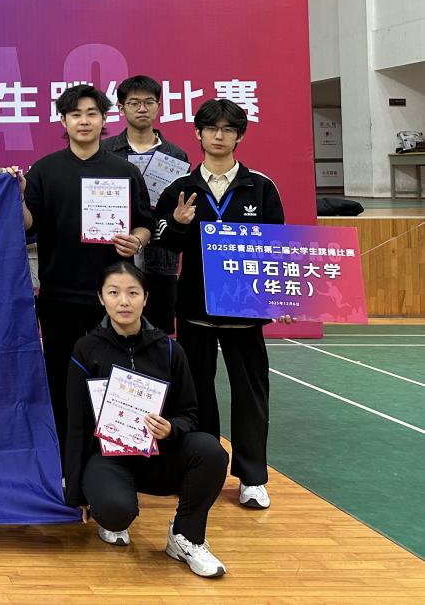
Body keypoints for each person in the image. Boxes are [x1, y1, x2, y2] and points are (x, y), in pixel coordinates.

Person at [154, 98, 287, 510]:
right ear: (198, 133)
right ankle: (204, 470)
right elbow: (164, 241)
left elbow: (278, 248)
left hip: (245, 314)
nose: (219, 135)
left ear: (239, 136)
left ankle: (252, 478)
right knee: (196, 397)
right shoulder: (181, 188)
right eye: (211, 128)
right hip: (195, 311)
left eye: (228, 129)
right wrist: (179, 224)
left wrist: (281, 296)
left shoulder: (260, 187)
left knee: (251, 397)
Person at [65, 262, 229, 578]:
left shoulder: (170, 349)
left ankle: (186, 536)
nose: (124, 301)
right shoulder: (86, 350)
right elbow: (76, 425)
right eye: (114, 293)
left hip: (158, 457)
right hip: (109, 460)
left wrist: (172, 429)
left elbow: (189, 413)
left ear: (146, 298)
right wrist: (76, 494)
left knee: (211, 451)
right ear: (101, 298)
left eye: (132, 293)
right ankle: (110, 514)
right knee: (116, 513)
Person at [23, 84, 154, 452]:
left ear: (103, 119)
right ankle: (66, 460)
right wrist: (18, 197)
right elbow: (28, 226)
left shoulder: (124, 170)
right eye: (75, 114)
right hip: (58, 294)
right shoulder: (44, 170)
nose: (84, 121)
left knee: (113, 379)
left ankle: (112, 457)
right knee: (61, 378)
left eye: (91, 114)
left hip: (113, 298)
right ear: (63, 121)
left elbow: (145, 224)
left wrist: (136, 241)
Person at [104, 75, 191, 334]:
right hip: (114, 252)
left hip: (161, 258)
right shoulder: (105, 151)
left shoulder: (175, 155)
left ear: (158, 106)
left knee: (158, 334)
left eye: (149, 102)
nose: (142, 108)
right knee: (113, 331)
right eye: (134, 103)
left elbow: (180, 210)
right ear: (121, 108)